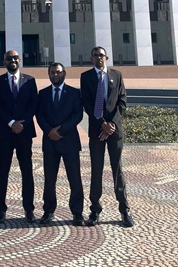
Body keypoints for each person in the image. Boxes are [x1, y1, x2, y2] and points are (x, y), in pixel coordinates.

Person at [80, 46, 134, 228]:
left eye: (101, 55)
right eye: (95, 55)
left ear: (107, 57)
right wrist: (102, 123)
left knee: (117, 170)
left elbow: (122, 100)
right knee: (96, 170)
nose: (99, 58)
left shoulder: (117, 75)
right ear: (91, 59)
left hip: (114, 131)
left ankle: (124, 210)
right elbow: (87, 103)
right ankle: (95, 210)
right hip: (97, 131)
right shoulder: (86, 77)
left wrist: (111, 124)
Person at [0, 49, 38, 224]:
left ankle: (29, 209)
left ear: (20, 60)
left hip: (24, 133)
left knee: (27, 172)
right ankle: (1, 210)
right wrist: (11, 123)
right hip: (5, 133)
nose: (13, 60)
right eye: (9, 58)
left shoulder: (30, 81)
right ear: (4, 62)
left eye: (15, 57)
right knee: (3, 171)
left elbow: (34, 104)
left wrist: (21, 123)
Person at [36, 62, 85, 226]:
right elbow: (39, 114)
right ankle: (48, 211)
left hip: (69, 141)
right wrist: (49, 130)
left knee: (75, 178)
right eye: (52, 73)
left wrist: (61, 130)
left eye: (58, 72)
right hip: (50, 141)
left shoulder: (73, 93)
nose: (55, 75)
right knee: (49, 179)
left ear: (64, 73)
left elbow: (78, 115)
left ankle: (77, 212)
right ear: (48, 74)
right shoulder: (42, 94)